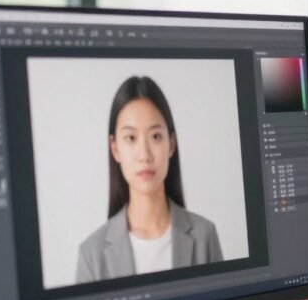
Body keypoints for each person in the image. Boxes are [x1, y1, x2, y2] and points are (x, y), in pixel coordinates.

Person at [77, 76, 223, 283]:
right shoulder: (91, 253)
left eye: (155, 136)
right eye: (131, 138)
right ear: (115, 148)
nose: (144, 155)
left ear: (171, 143)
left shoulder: (204, 235)